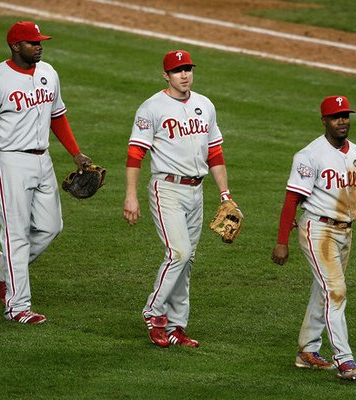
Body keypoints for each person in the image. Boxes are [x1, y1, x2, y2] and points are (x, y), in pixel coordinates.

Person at [0, 21, 92, 324]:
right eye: (32, 42)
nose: (39, 46)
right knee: (16, 235)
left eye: (40, 42)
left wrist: (75, 153)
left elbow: (58, 117)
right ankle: (17, 306)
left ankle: (2, 267)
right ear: (15, 46)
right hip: (8, 161)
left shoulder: (49, 73)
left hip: (42, 159)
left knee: (51, 227)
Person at [271, 96, 356, 381]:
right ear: (324, 121)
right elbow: (292, 199)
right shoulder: (309, 156)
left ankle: (307, 351)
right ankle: (345, 359)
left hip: (345, 232)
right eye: (335, 116)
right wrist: (282, 241)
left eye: (345, 115)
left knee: (324, 290)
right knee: (336, 291)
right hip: (318, 230)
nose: (342, 121)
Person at [124, 50, 237, 348]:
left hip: (196, 191)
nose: (184, 75)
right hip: (167, 189)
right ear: (166, 75)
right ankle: (153, 313)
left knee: (187, 261)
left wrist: (225, 194)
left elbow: (215, 153)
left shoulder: (205, 105)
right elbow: (135, 153)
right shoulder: (151, 108)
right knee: (178, 253)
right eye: (177, 71)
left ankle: (176, 326)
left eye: (188, 69)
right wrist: (131, 196)